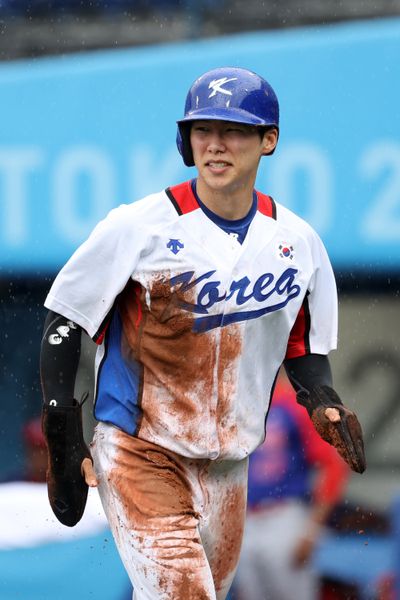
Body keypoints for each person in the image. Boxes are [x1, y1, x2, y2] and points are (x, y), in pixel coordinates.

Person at [39, 66, 365, 600]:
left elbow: (303, 347)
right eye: (203, 129)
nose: (216, 144)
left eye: (234, 130)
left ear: (269, 140)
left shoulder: (298, 242)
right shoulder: (138, 226)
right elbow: (64, 318)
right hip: (140, 451)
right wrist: (61, 426)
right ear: (186, 140)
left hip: (229, 468)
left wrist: (321, 398)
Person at [232, 372, 349, 600]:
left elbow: (334, 464)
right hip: (244, 519)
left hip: (284, 516)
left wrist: (312, 529)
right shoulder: (240, 401)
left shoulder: (298, 402)